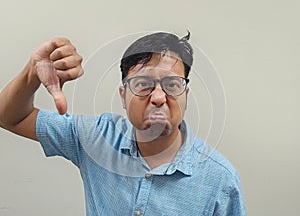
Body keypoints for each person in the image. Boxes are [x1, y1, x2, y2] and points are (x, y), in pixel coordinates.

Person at [0, 32, 247, 215]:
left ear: (186, 95)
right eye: (142, 84)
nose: (159, 97)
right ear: (123, 96)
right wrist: (31, 73)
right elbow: (9, 117)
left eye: (172, 85)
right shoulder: (97, 137)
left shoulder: (219, 180)